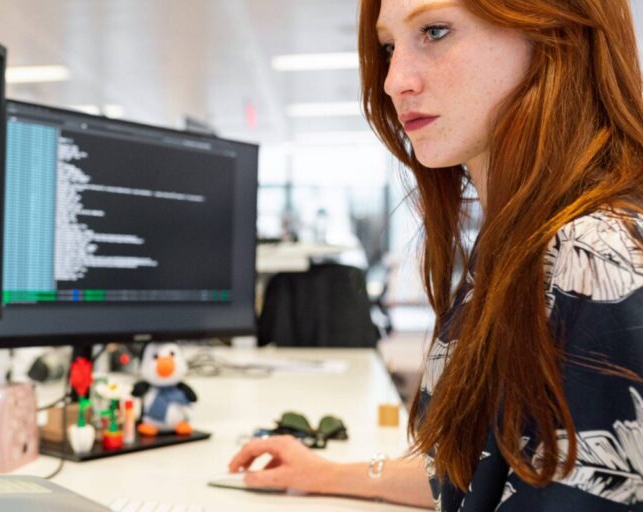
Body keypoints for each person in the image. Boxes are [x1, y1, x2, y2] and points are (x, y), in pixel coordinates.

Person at [228, 0, 643, 510]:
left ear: (554, 31)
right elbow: (486, 475)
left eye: (436, 30)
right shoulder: (521, 243)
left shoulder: (595, 255)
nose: (392, 80)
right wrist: (328, 472)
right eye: (388, 47)